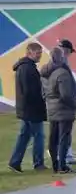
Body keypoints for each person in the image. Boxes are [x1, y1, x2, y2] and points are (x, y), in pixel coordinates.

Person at [9, 42, 47, 173]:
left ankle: (15, 162)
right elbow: (29, 91)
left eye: (40, 53)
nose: (40, 56)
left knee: (24, 135)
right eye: (38, 53)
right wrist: (40, 103)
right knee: (39, 136)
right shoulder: (27, 69)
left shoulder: (26, 67)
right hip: (31, 109)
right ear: (29, 53)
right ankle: (38, 163)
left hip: (27, 109)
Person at [40, 41, 76, 175]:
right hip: (64, 109)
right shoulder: (62, 72)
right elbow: (66, 94)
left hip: (52, 108)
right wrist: (74, 104)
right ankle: (62, 165)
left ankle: (56, 165)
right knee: (63, 138)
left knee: (53, 138)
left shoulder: (45, 71)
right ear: (61, 57)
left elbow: (44, 92)